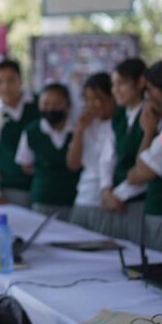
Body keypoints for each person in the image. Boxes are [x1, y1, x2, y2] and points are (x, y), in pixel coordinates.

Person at [114, 59, 162, 251]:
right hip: (157, 215)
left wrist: (148, 132)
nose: (147, 97)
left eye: (150, 90)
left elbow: (138, 174)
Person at [15, 83, 81, 218]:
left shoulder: (77, 130)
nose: (51, 108)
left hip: (73, 200)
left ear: (68, 105)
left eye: (57, 103)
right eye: (45, 104)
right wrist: (45, 173)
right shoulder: (31, 131)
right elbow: (25, 165)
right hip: (42, 199)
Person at [101, 58, 147, 241]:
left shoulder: (151, 115)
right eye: (113, 85)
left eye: (122, 84)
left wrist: (118, 194)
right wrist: (106, 190)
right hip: (114, 199)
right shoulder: (119, 116)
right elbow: (107, 158)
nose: (116, 90)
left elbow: (151, 165)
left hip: (139, 201)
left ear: (141, 82)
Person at [0, 59, 40, 207]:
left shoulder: (40, 104)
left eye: (11, 80)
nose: (5, 86)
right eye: (0, 81)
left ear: (20, 80)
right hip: (10, 190)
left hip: (42, 188)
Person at [67, 73, 115, 231]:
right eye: (87, 99)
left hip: (105, 201)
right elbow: (73, 164)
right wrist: (79, 131)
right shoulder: (86, 125)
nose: (92, 104)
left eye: (97, 98)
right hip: (83, 197)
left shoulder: (118, 124)